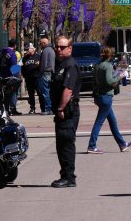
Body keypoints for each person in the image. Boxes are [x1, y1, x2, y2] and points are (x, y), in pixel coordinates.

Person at [85, 45, 131, 154]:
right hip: (106, 96)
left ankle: (122, 144)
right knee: (99, 122)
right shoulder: (107, 65)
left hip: (99, 95)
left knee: (113, 121)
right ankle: (91, 146)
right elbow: (109, 81)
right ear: (110, 55)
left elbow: (98, 80)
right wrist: (120, 76)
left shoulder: (98, 65)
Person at [50, 35, 82, 188]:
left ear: (70, 48)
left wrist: (61, 108)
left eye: (62, 47)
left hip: (67, 111)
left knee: (66, 144)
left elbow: (68, 90)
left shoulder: (70, 65)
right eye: (57, 46)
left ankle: (69, 178)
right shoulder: (61, 64)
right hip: (62, 112)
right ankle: (65, 175)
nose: (58, 49)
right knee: (61, 144)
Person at [0, 38, 21, 115]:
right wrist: (19, 68)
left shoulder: (1, 51)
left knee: (5, 94)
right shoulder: (12, 53)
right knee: (13, 92)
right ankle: (12, 109)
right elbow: (14, 67)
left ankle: (6, 109)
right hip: (10, 76)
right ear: (15, 45)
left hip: (2, 75)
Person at [21, 42, 42, 114]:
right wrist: (24, 75)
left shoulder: (38, 56)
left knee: (40, 93)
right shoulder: (24, 58)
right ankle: (32, 108)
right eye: (26, 49)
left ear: (33, 49)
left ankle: (43, 108)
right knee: (31, 94)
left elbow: (43, 66)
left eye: (28, 49)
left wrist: (39, 65)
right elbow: (22, 67)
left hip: (37, 78)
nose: (27, 51)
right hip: (28, 78)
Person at [38, 35, 56, 115]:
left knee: (45, 92)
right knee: (49, 91)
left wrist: (40, 72)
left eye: (41, 44)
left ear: (44, 43)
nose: (40, 45)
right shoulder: (52, 50)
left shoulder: (45, 51)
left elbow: (44, 64)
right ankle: (50, 108)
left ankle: (48, 108)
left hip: (45, 73)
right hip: (51, 72)